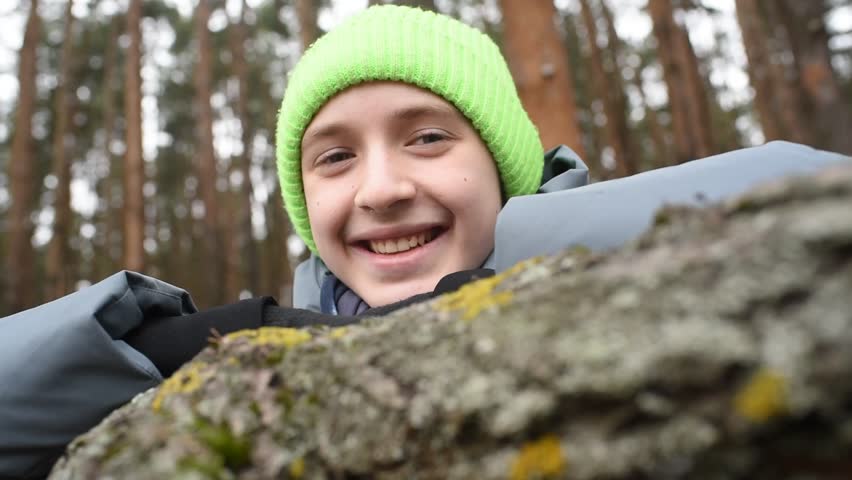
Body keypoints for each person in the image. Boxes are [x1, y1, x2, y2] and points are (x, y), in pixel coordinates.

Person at [0, 5, 849, 479]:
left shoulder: (655, 266)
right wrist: (143, 344)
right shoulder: (253, 351)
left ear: (505, 165)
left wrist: (519, 263)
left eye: (429, 139)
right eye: (335, 157)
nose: (380, 188)